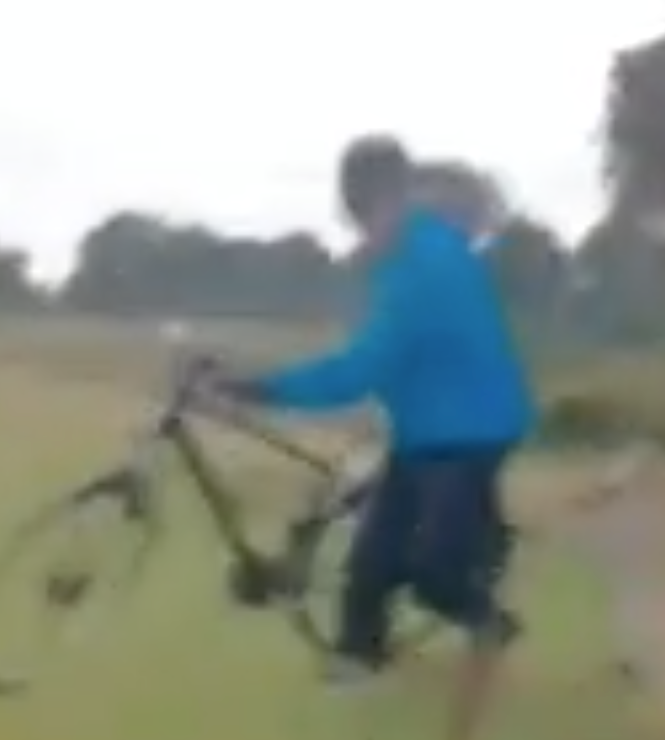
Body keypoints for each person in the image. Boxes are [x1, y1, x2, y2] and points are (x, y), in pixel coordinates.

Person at [219, 135, 534, 682]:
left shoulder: (431, 264)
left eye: (371, 212)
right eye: (356, 215)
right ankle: (357, 660)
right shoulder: (399, 262)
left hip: (474, 432)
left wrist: (265, 389)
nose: (365, 227)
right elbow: (389, 357)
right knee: (371, 560)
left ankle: (492, 624)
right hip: (420, 432)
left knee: (436, 574)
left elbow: (364, 367)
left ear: (399, 197)